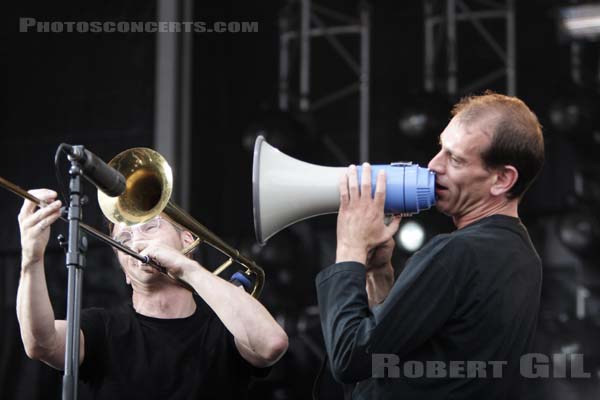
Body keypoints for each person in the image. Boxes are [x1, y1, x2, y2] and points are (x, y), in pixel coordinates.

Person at [316, 91, 545, 399]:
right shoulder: (524, 257)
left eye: (456, 159)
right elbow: (404, 354)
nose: (434, 165)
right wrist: (379, 274)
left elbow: (350, 358)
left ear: (502, 179)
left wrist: (349, 249)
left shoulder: (456, 253)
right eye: (441, 149)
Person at [16, 190, 288, 399]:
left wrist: (185, 266)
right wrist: (31, 258)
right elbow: (40, 343)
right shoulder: (102, 327)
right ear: (123, 268)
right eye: (124, 240)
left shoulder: (226, 322)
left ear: (187, 241)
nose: (137, 242)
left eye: (150, 226)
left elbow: (271, 344)